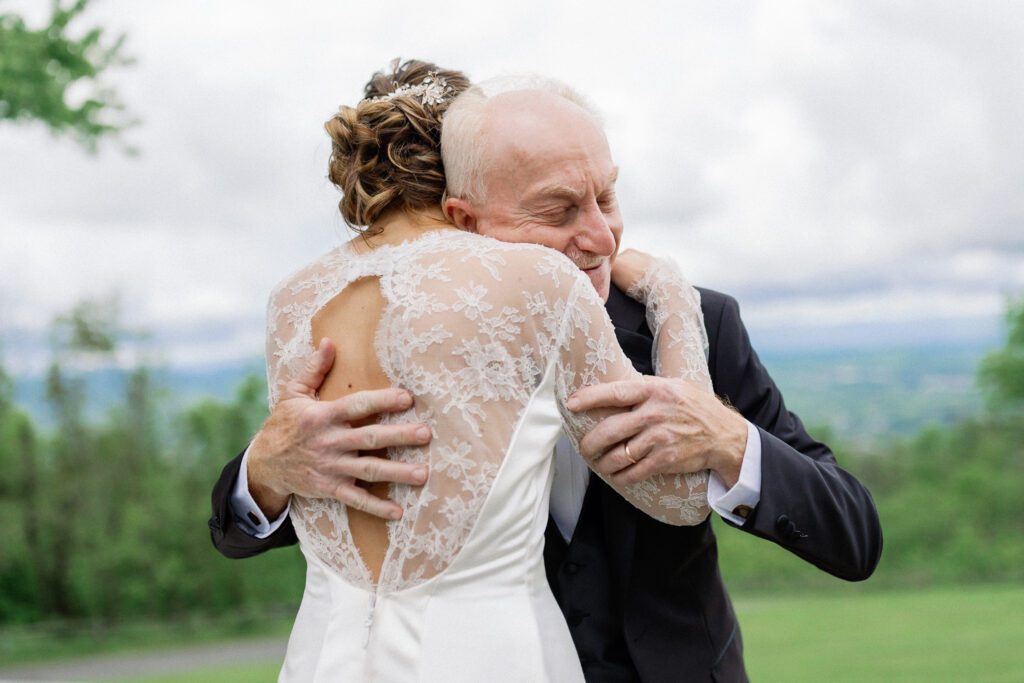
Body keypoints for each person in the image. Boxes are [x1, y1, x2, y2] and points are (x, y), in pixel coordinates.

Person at [209, 64, 884, 681]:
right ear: (462, 221)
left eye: (607, 198)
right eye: (559, 210)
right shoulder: (402, 338)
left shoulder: (701, 321)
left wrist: (729, 441)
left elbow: (854, 534)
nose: (601, 238)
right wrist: (263, 474)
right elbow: (336, 525)